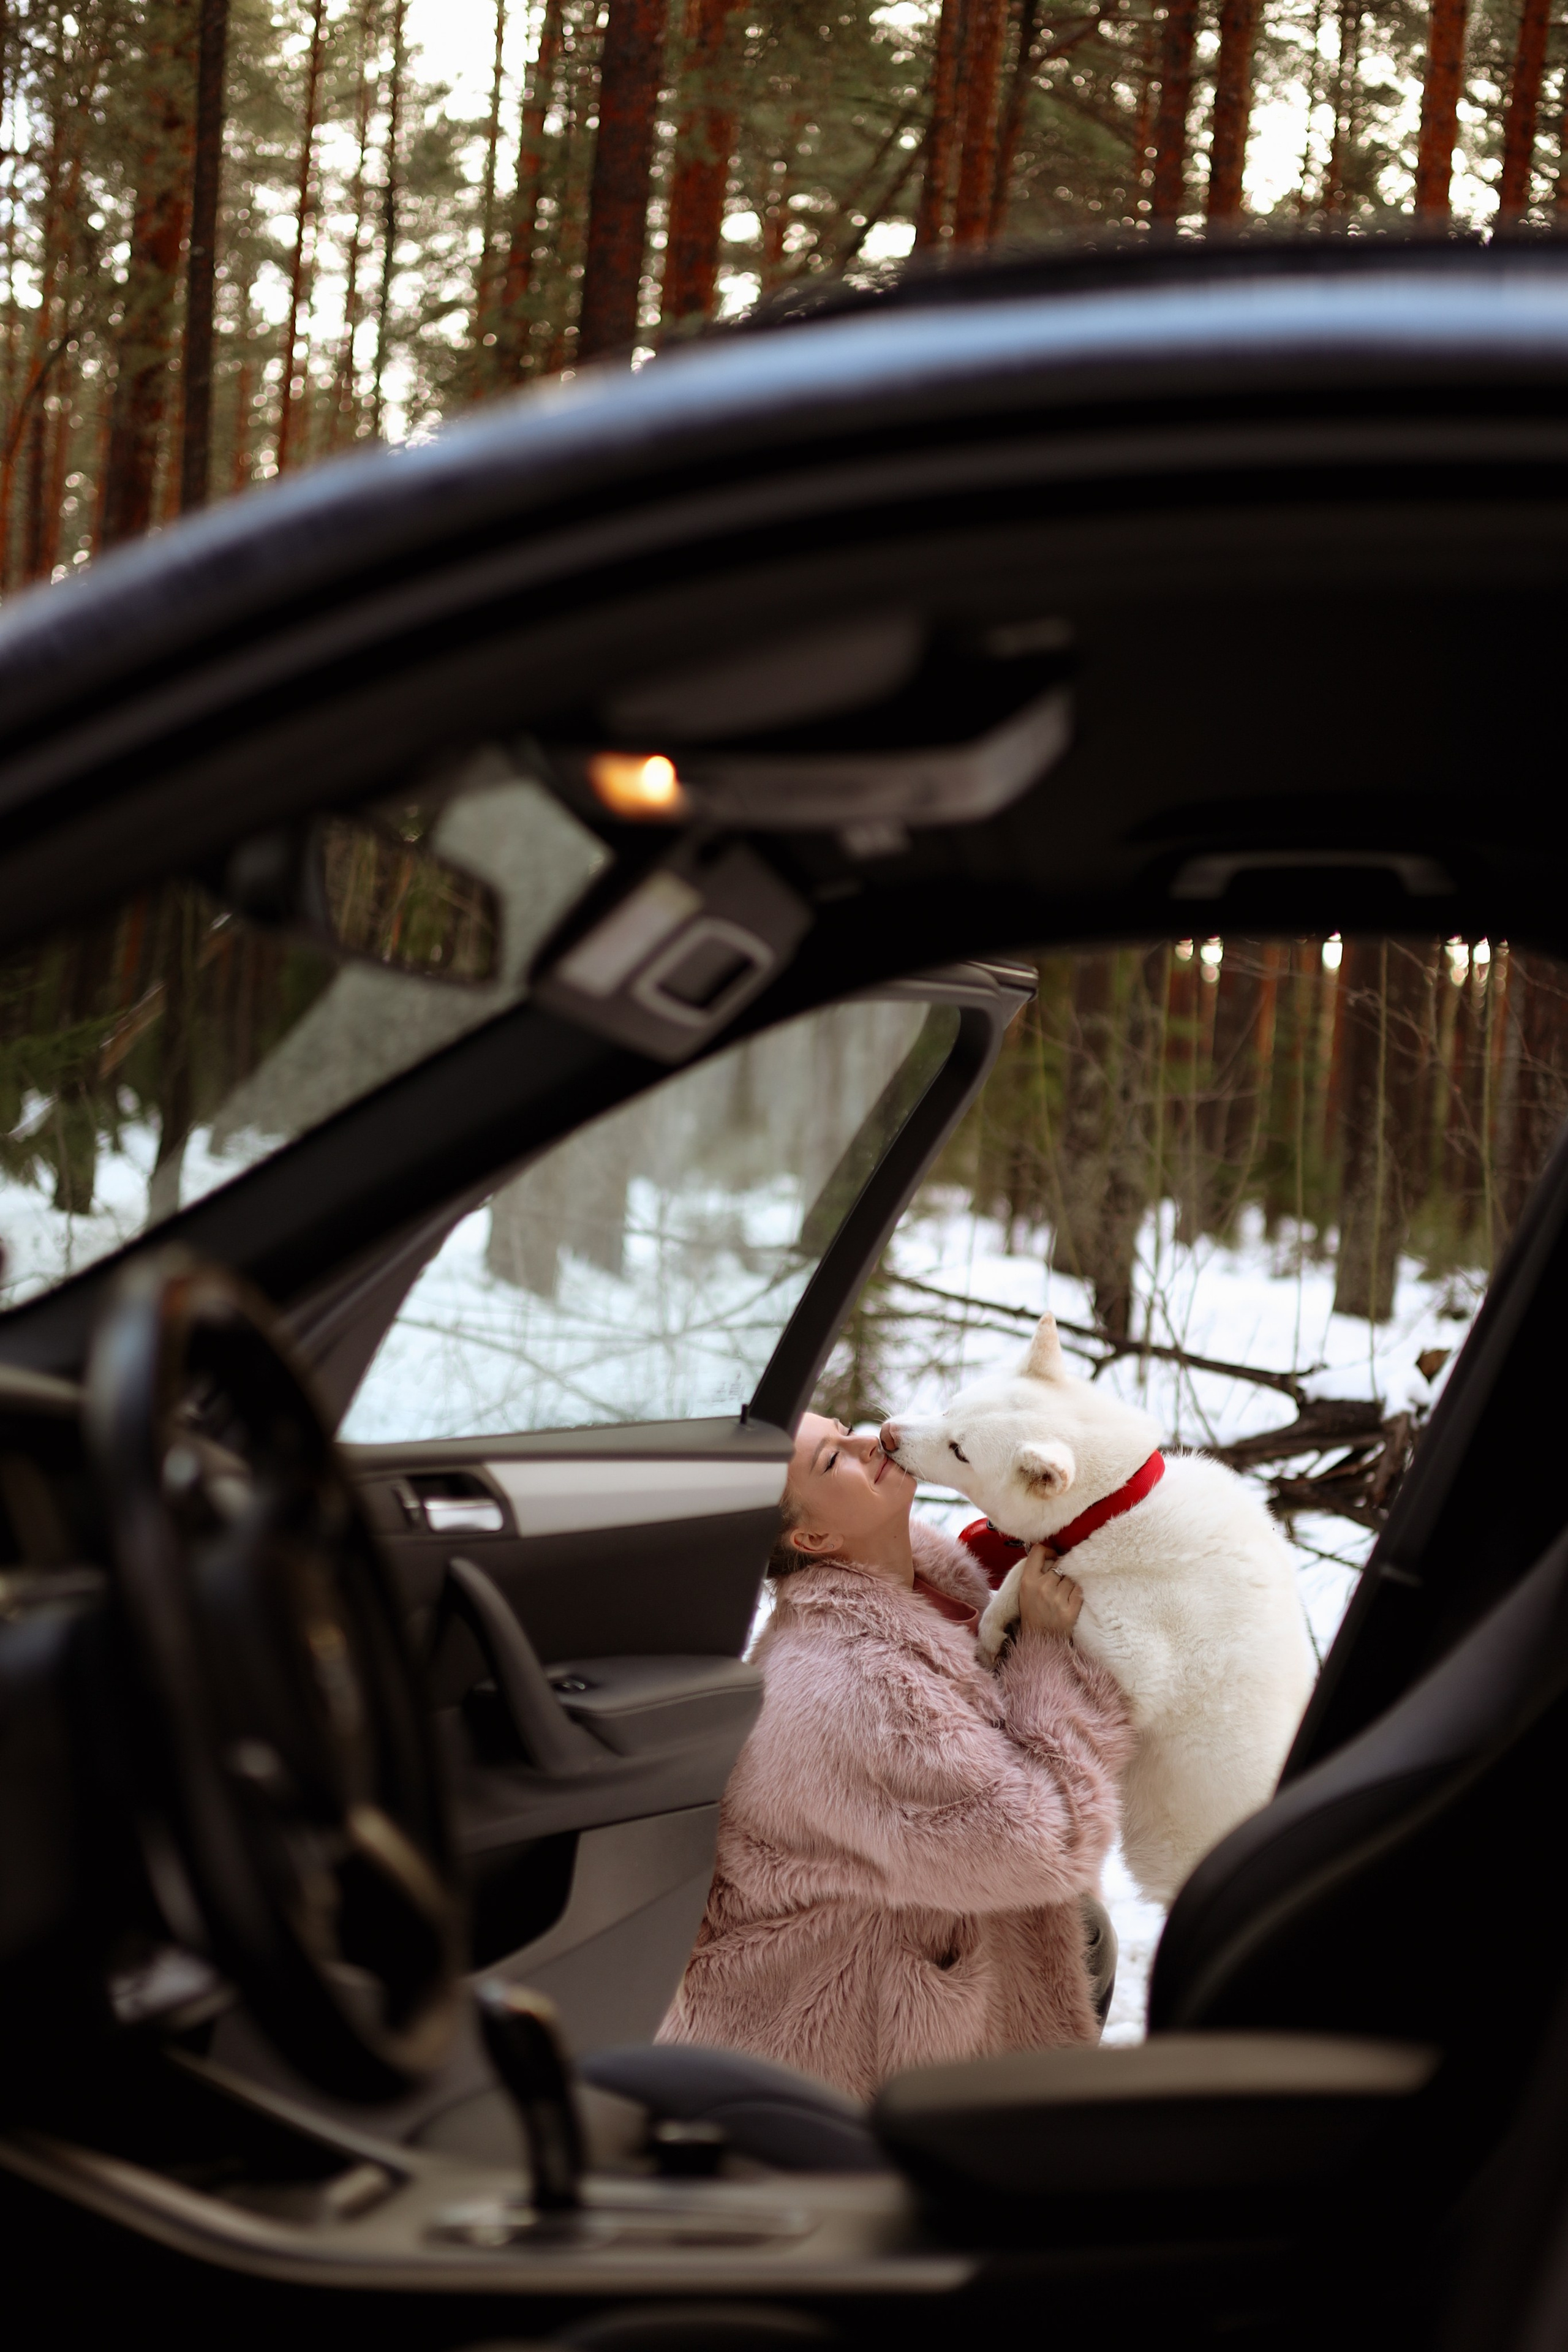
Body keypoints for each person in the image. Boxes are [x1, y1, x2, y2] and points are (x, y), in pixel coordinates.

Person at [657, 1413, 1133, 2101]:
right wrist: (1048, 1654)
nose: (868, 1440)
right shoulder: (847, 1685)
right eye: (832, 1460)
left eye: (845, 1427)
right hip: (819, 2056)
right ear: (812, 1537)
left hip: (892, 1979)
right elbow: (1048, 1840)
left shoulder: (926, 1586)